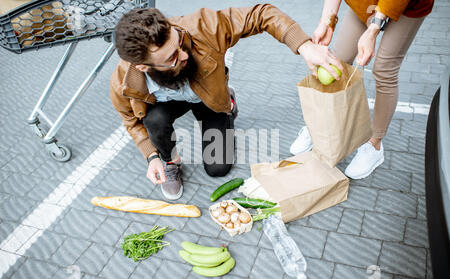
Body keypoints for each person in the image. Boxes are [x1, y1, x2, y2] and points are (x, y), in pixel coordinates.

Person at [111, 5, 343, 200]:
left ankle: (227, 100)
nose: (183, 54)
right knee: (154, 120)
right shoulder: (123, 82)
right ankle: (171, 162)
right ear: (143, 67)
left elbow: (261, 14)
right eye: (171, 57)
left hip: (208, 96)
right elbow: (131, 121)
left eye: (179, 42)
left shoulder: (204, 27)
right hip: (169, 102)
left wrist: (304, 45)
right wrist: (151, 156)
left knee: (218, 169)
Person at [290, 0, 434, 179]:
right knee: (338, 60)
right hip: (365, 2)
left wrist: (373, 29)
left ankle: (374, 146)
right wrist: (326, 21)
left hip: (407, 5)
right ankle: (320, 126)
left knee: (384, 70)